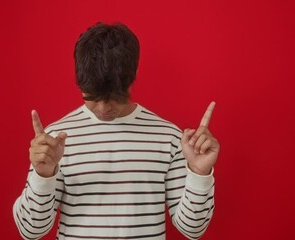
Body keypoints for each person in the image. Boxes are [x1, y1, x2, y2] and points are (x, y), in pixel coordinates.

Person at [13, 22, 220, 240]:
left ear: (134, 76)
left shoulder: (168, 137)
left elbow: (192, 230)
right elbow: (30, 231)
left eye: (113, 97)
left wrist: (199, 174)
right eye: (92, 96)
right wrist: (43, 175)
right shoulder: (55, 140)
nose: (103, 109)